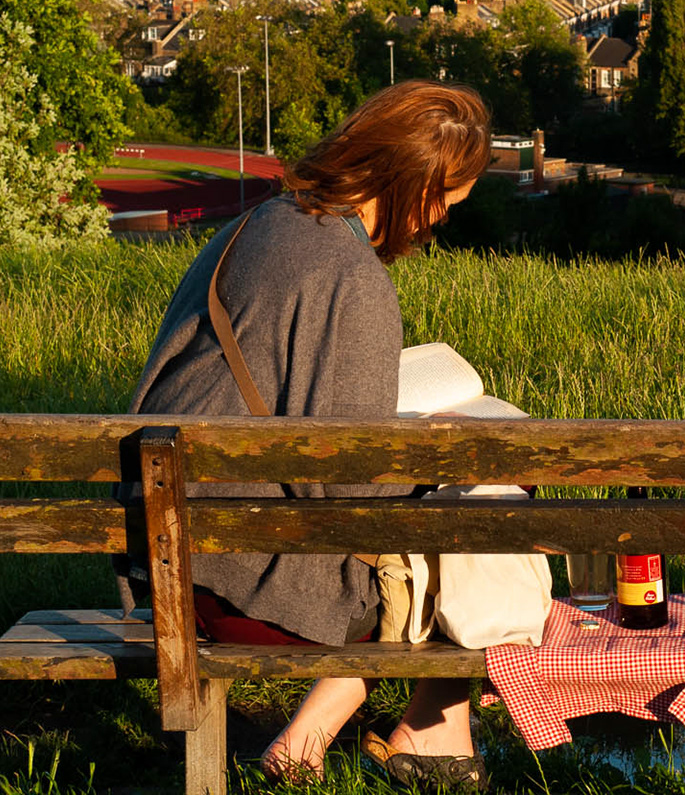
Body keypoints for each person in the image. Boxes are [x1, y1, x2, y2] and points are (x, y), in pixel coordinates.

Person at [120, 81, 491, 786]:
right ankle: (429, 732)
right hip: (245, 579)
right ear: (410, 181)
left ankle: (321, 741)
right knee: (476, 520)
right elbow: (349, 485)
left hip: (174, 549)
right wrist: (440, 455)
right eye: (444, 199)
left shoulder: (263, 223)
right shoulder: (354, 277)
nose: (440, 219)